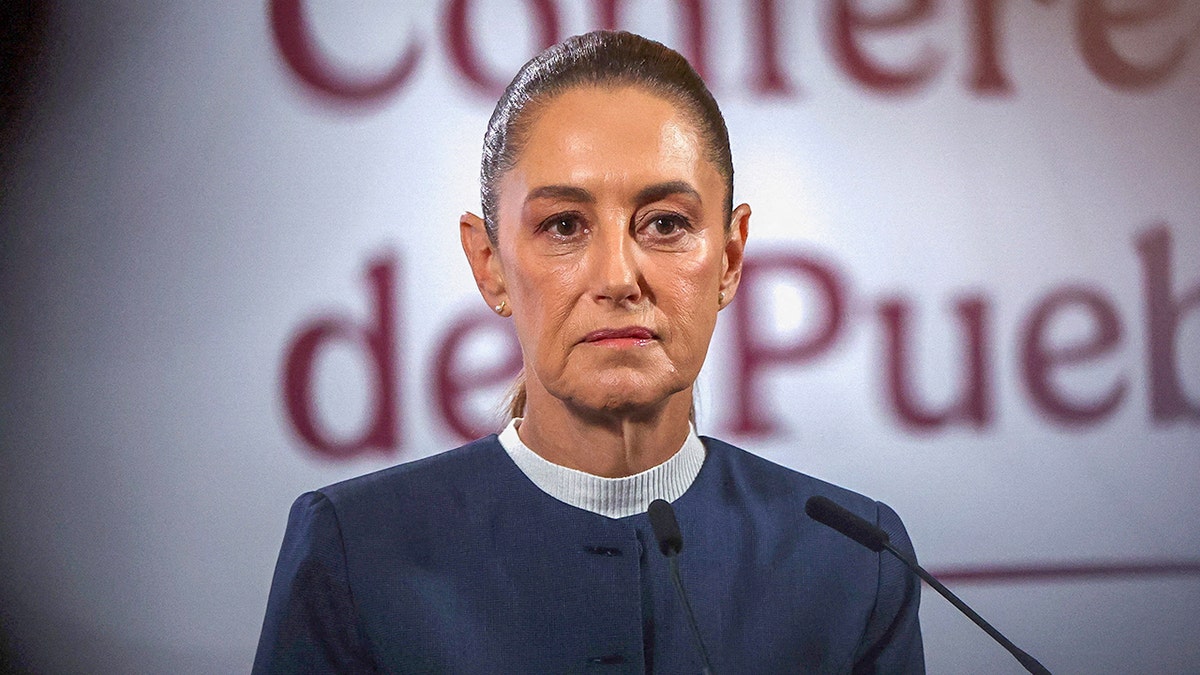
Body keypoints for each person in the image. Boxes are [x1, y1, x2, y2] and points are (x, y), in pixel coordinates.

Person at [253, 30, 923, 674]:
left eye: (665, 223)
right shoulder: (356, 550)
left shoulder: (853, 558)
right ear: (488, 264)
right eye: (564, 225)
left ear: (730, 257)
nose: (616, 278)